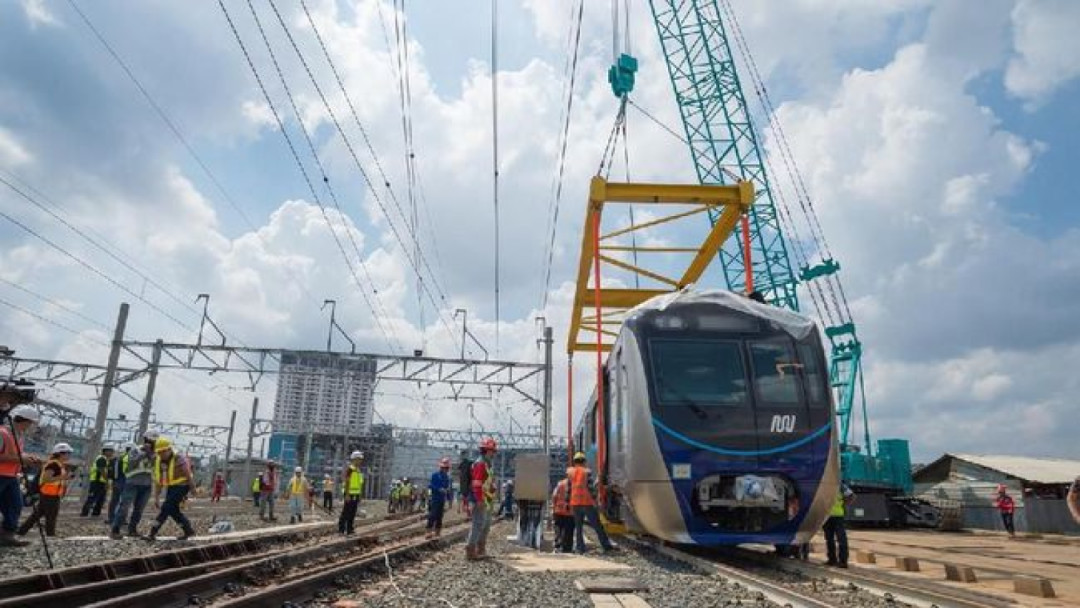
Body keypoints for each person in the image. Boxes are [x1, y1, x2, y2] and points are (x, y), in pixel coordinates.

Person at [0, 405, 39, 547]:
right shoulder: (2, 433)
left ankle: (7, 535)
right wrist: (21, 459)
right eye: (30, 423)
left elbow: (15, 454)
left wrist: (26, 457)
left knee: (15, 505)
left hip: (10, 476)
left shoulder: (18, 436)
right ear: (22, 420)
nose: (30, 427)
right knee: (13, 504)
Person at [18, 441, 70, 538]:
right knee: (51, 516)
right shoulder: (53, 464)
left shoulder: (57, 464)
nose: (69, 455)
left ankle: (21, 531)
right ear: (60, 454)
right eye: (67, 453)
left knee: (36, 515)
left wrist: (64, 479)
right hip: (50, 495)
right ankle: (51, 535)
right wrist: (63, 477)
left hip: (49, 494)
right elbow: (47, 478)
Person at [147, 437, 195, 541]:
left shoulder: (179, 458)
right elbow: (158, 481)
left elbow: (188, 474)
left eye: (164, 451)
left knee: (165, 508)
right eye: (159, 452)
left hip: (182, 486)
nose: (161, 454)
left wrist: (193, 488)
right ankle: (188, 530)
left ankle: (152, 532)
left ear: (169, 449)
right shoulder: (158, 461)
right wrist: (156, 498)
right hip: (172, 487)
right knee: (173, 511)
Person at [109, 435, 156, 539]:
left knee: (139, 509)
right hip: (132, 483)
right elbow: (131, 464)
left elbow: (155, 463)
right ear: (146, 440)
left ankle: (132, 529)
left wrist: (149, 453)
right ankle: (115, 529)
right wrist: (143, 453)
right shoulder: (135, 450)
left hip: (147, 485)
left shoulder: (155, 453)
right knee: (124, 506)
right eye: (151, 440)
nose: (152, 443)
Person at [568, 452, 615, 554]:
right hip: (587, 503)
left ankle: (580, 548)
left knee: (578, 527)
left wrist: (569, 502)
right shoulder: (586, 472)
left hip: (575, 503)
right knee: (597, 525)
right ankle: (606, 546)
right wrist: (595, 500)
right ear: (584, 461)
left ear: (575, 462)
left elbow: (569, 489)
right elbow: (590, 488)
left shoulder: (570, 472)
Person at [465, 438, 498, 560]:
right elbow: (477, 483)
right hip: (480, 499)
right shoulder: (480, 464)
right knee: (478, 524)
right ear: (486, 450)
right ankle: (471, 549)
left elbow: (486, 480)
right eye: (492, 451)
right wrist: (479, 500)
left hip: (487, 499)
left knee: (486, 524)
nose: (494, 454)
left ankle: (481, 549)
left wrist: (492, 487)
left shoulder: (487, 464)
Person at [824, 482, 855, 567]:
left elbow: (851, 496)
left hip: (838, 516)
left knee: (840, 539)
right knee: (829, 539)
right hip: (827, 516)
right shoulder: (825, 486)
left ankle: (842, 561)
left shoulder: (840, 486)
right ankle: (832, 559)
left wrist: (844, 505)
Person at [81, 444, 115, 518]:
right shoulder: (101, 459)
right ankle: (84, 513)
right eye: (111, 451)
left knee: (101, 499)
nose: (112, 453)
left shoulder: (106, 460)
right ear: (106, 451)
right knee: (92, 498)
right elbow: (102, 470)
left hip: (101, 482)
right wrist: (106, 482)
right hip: (96, 482)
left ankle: (96, 514)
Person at [425, 457, 452, 539]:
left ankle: (437, 532)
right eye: (445, 468)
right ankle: (428, 531)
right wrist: (438, 489)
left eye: (447, 468)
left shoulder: (447, 478)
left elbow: (447, 489)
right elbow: (430, 486)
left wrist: (449, 499)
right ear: (441, 467)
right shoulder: (435, 475)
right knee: (432, 515)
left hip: (441, 499)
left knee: (439, 516)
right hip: (434, 498)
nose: (446, 469)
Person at [338, 451, 364, 534]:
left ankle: (350, 529)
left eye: (360, 459)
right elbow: (347, 482)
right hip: (349, 493)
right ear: (354, 459)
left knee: (353, 512)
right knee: (346, 511)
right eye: (358, 459)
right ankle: (341, 529)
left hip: (356, 494)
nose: (360, 461)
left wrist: (360, 494)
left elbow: (360, 484)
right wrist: (347, 494)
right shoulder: (350, 469)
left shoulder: (358, 471)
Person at [106, 445, 132, 522]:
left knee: (114, 500)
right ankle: (122, 519)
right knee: (125, 501)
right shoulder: (129, 458)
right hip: (125, 481)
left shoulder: (116, 458)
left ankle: (111, 518)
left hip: (116, 481)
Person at [551, 477, 574, 553]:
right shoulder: (576, 485)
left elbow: (554, 496)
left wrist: (554, 509)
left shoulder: (560, 483)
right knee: (568, 531)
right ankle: (567, 549)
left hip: (559, 510)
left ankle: (557, 546)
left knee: (558, 530)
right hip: (570, 512)